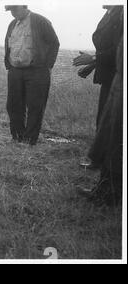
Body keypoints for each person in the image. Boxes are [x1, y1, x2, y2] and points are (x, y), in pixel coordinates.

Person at [72, 5, 123, 169]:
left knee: (111, 123)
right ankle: (100, 161)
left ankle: (104, 164)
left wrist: (94, 57)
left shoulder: (121, 13)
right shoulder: (111, 13)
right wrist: (92, 65)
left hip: (118, 78)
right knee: (104, 119)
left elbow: (119, 50)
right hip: (110, 77)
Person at [79, 27, 123, 206]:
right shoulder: (117, 12)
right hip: (118, 79)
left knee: (116, 139)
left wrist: (95, 59)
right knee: (111, 137)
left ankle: (109, 194)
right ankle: (106, 190)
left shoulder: (120, 11)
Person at [4, 5, 60, 145]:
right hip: (15, 71)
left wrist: (46, 65)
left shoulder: (41, 21)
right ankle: (17, 137)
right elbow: (9, 44)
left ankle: (29, 140)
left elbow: (54, 43)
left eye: (15, 9)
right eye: (10, 11)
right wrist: (10, 65)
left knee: (35, 106)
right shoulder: (12, 24)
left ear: (24, 7)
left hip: (37, 71)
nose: (13, 13)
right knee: (13, 105)